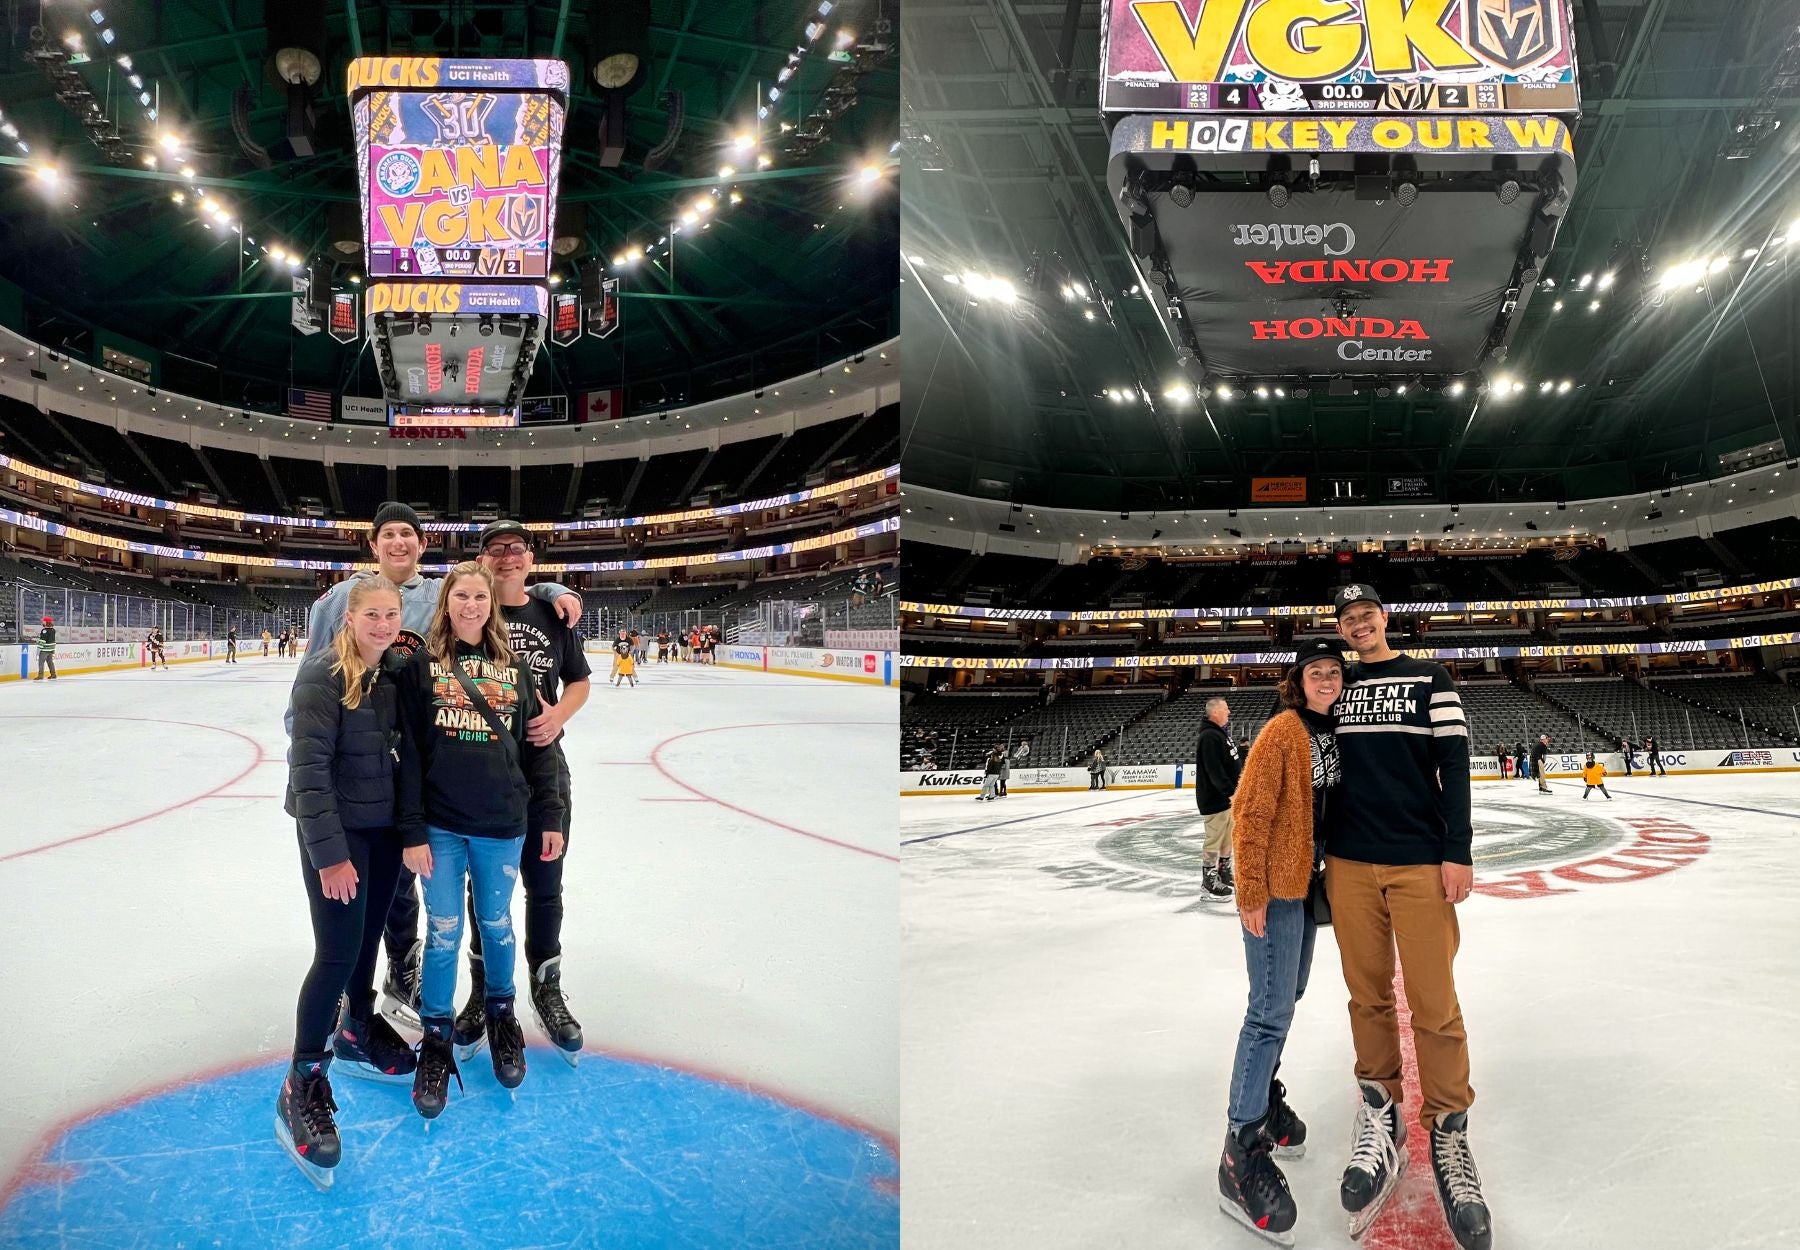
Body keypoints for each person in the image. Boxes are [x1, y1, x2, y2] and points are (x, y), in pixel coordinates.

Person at [289, 502, 580, 1034]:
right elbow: (310, 705)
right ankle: (341, 1010)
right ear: (372, 545)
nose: (399, 543)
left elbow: (494, 583)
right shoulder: (338, 602)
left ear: (423, 546)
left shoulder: (437, 596)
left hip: (414, 783)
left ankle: (401, 972)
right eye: (389, 535)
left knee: (396, 897)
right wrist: (318, 760)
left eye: (409, 534)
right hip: (361, 787)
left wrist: (551, 590)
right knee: (355, 918)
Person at [1325, 585, 1489, 1250]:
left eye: (1367, 614)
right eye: (1348, 618)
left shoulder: (1429, 676)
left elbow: (1454, 762)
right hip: (1349, 862)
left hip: (1420, 861)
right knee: (1366, 998)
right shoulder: (1334, 684)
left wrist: (1459, 851)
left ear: (1384, 619)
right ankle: (1380, 1110)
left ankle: (1448, 1132)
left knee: (1434, 1002)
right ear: (1340, 629)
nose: (1359, 624)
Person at [394, 562, 565, 1120]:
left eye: (480, 597)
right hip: (440, 828)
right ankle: (437, 1040)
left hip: (502, 827)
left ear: (492, 604)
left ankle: (502, 1014)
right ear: (446, 603)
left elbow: (541, 749)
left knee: (496, 924)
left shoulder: (517, 671)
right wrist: (412, 829)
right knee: (442, 934)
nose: (471, 605)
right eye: (461, 596)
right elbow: (410, 757)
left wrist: (551, 817)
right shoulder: (420, 668)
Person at [277, 577, 415, 1189]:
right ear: (350, 618)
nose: (384, 625)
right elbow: (307, 773)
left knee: (365, 945)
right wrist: (331, 856)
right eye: (374, 616)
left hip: (383, 833)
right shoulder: (321, 675)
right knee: (335, 954)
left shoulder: (395, 674)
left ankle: (357, 1026)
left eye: (393, 614)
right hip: (338, 837)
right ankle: (302, 1079)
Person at [1216, 640, 1345, 1246]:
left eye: (1334, 671)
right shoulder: (1282, 731)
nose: (1326, 678)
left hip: (1311, 885)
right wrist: (1250, 894)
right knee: (1267, 1011)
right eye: (1315, 671)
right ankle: (1239, 1148)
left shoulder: (1337, 728)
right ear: (1298, 681)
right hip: (1277, 888)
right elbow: (1249, 813)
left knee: (1287, 996)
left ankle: (1263, 1101)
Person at [450, 521, 593, 1067]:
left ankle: (545, 985)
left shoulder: (552, 615)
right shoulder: (472, 611)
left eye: (516, 550)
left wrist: (558, 714)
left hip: (542, 772)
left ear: (530, 559)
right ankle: (483, 992)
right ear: (482, 560)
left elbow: (578, 679)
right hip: (481, 774)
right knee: (484, 892)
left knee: (545, 885)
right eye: (495, 550)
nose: (506, 558)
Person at [1196, 696, 1242, 899]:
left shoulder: (1219, 734)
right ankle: (1208, 880)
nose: (1229, 712)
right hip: (1216, 799)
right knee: (1214, 839)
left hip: (1227, 799)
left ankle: (1223, 872)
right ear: (1215, 712)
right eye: (1226, 708)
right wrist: (1229, 792)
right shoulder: (1209, 737)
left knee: (1227, 838)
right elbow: (1214, 770)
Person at [34, 616, 56, 680]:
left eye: (43, 621)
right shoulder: (53, 630)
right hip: (51, 649)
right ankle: (53, 674)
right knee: (50, 662)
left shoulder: (44, 631)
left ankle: (40, 676)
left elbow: (42, 641)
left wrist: (38, 650)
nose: (42, 622)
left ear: (46, 622)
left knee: (41, 662)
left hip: (45, 650)